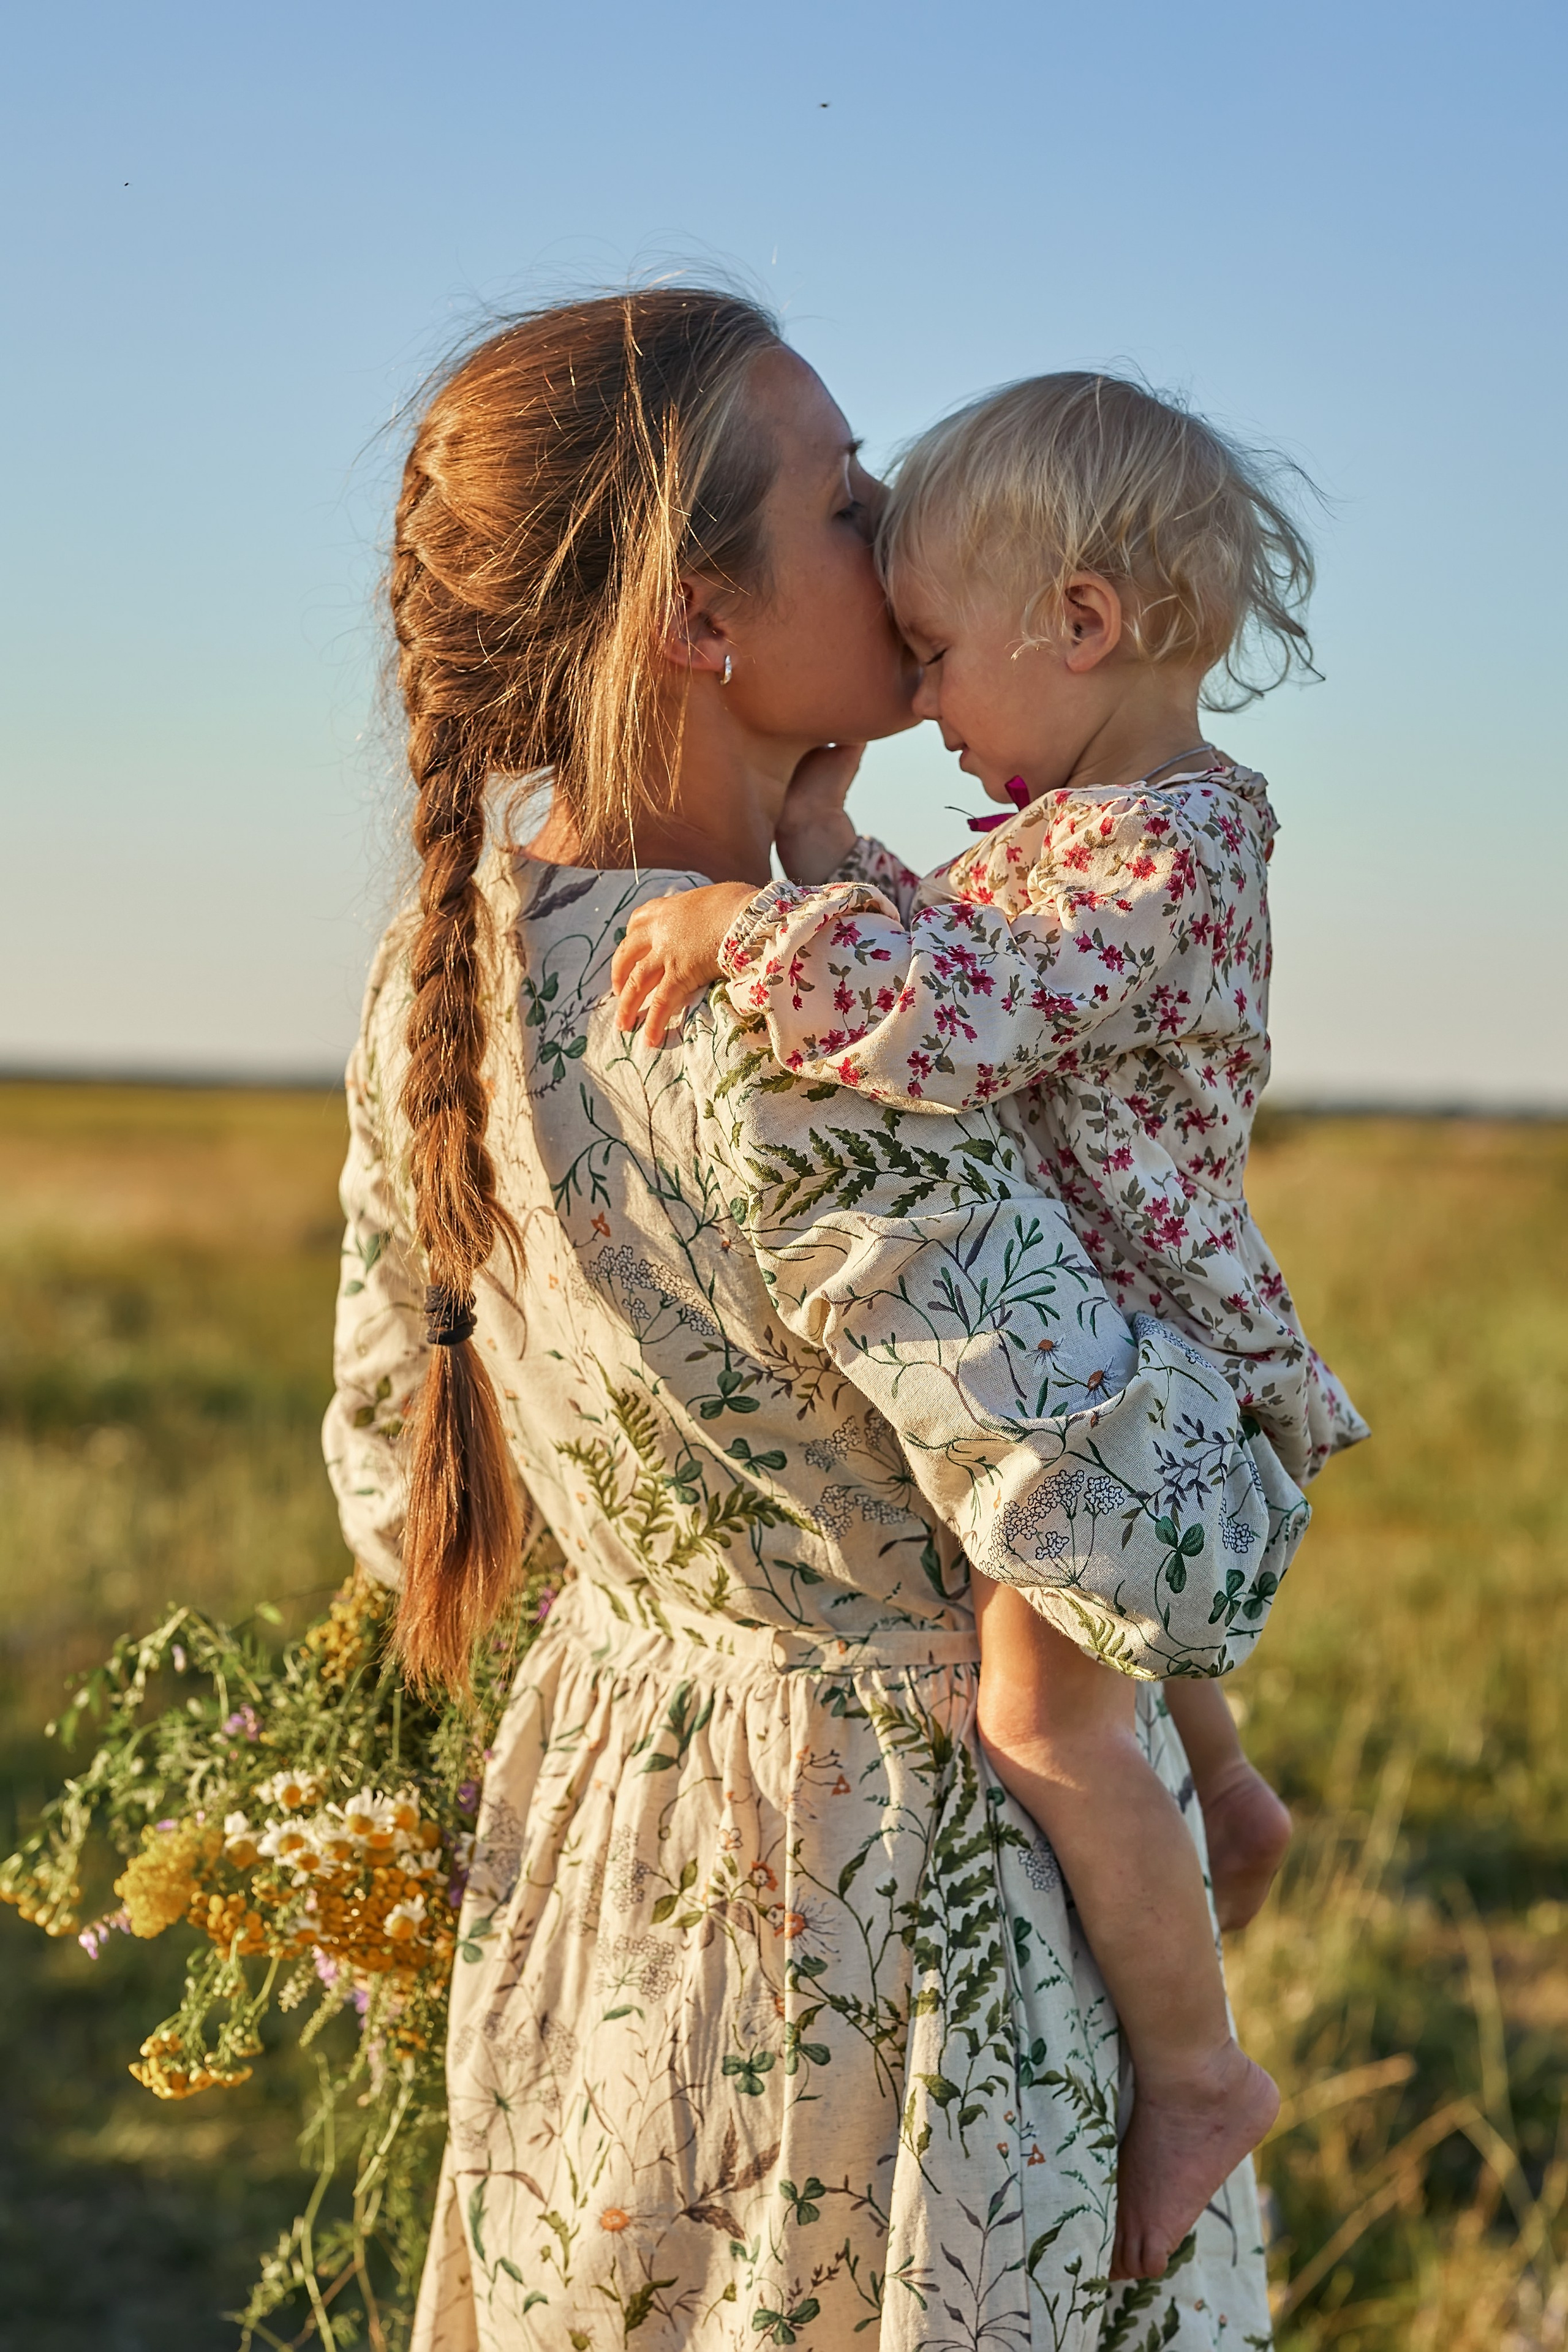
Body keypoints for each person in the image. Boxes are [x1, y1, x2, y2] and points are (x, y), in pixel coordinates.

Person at [325, 290, 1308, 2351]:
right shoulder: (807, 1033)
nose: (900, 531)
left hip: (611, 1868)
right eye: (851, 499)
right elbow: (1161, 1553)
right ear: (701, 615)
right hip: (903, 1937)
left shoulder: (452, 973)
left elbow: (377, 1454)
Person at [611, 370, 1368, 2277]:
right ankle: (1231, 1783)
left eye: (939, 654)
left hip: (1145, 1347)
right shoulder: (1093, 840)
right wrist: (823, 854)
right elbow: (971, 966)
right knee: (1077, 1598)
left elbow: (964, 1011)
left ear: (1086, 625)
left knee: (1043, 1714)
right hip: (1107, 1326)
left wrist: (744, 928)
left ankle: (1201, 2070)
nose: (924, 695)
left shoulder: (1168, 850)